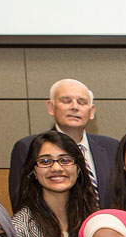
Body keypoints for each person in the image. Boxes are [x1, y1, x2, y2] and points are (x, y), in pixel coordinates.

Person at [13, 130, 98, 237]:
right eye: (45, 161)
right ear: (33, 172)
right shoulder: (20, 230)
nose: (56, 168)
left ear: (79, 168)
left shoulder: (93, 218)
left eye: (65, 160)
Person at [9, 79, 119, 209]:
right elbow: (21, 202)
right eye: (66, 101)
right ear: (51, 107)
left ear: (91, 111)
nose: (75, 107)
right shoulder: (27, 147)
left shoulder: (112, 147)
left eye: (82, 102)